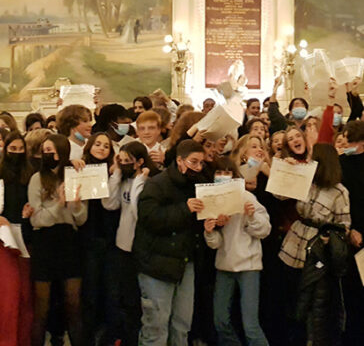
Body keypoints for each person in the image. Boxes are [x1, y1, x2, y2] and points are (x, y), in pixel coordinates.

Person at [133, 140, 205, 346]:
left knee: (182, 325)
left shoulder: (197, 184)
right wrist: (185, 209)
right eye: (194, 162)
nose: (198, 167)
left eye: (201, 163)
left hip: (184, 262)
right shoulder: (157, 184)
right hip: (156, 264)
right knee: (156, 326)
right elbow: (149, 218)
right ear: (180, 161)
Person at [279, 143, 351, 345]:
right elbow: (279, 193)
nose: (308, 160)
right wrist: (288, 170)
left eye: (312, 157)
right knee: (289, 297)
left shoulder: (339, 192)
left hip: (317, 251)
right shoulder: (305, 180)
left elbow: (344, 225)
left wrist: (329, 239)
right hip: (293, 243)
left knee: (311, 304)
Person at [204, 157, 271, 346]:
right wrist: (210, 230)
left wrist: (249, 217)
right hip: (224, 265)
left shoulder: (247, 197)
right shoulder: (210, 199)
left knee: (250, 325)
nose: (223, 176)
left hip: (249, 265)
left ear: (234, 176)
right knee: (220, 320)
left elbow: (265, 230)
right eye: (219, 173)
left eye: (227, 173)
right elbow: (214, 244)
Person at [28, 134, 87, 346]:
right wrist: (58, 204)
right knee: (42, 306)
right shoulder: (37, 178)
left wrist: (75, 204)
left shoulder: (73, 175)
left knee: (74, 304)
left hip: (68, 241)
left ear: (62, 152)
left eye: (52, 150)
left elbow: (81, 219)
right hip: (44, 242)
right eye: (45, 150)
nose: (48, 154)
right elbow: (37, 219)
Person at [102, 141, 158, 346]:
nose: (124, 163)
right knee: (125, 298)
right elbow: (109, 204)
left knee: (141, 300)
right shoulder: (125, 180)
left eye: (128, 161)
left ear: (140, 162)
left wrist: (139, 181)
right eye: (121, 160)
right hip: (123, 245)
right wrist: (116, 174)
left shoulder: (149, 182)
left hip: (142, 248)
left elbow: (138, 212)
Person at [0, 131, 34, 346]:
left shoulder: (32, 173)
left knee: (26, 298)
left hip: (26, 237)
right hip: (1, 239)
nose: (16, 152)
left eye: (20, 149)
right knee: (7, 299)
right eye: (12, 149)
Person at [79, 132, 119, 346]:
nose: (102, 148)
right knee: (90, 292)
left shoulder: (116, 171)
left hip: (111, 238)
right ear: (90, 146)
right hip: (89, 237)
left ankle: (109, 338)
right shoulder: (81, 168)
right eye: (98, 144)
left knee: (111, 292)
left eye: (106, 146)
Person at [339, 120, 364, 345]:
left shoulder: (343, 163)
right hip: (351, 234)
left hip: (355, 233)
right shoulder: (342, 163)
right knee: (354, 293)